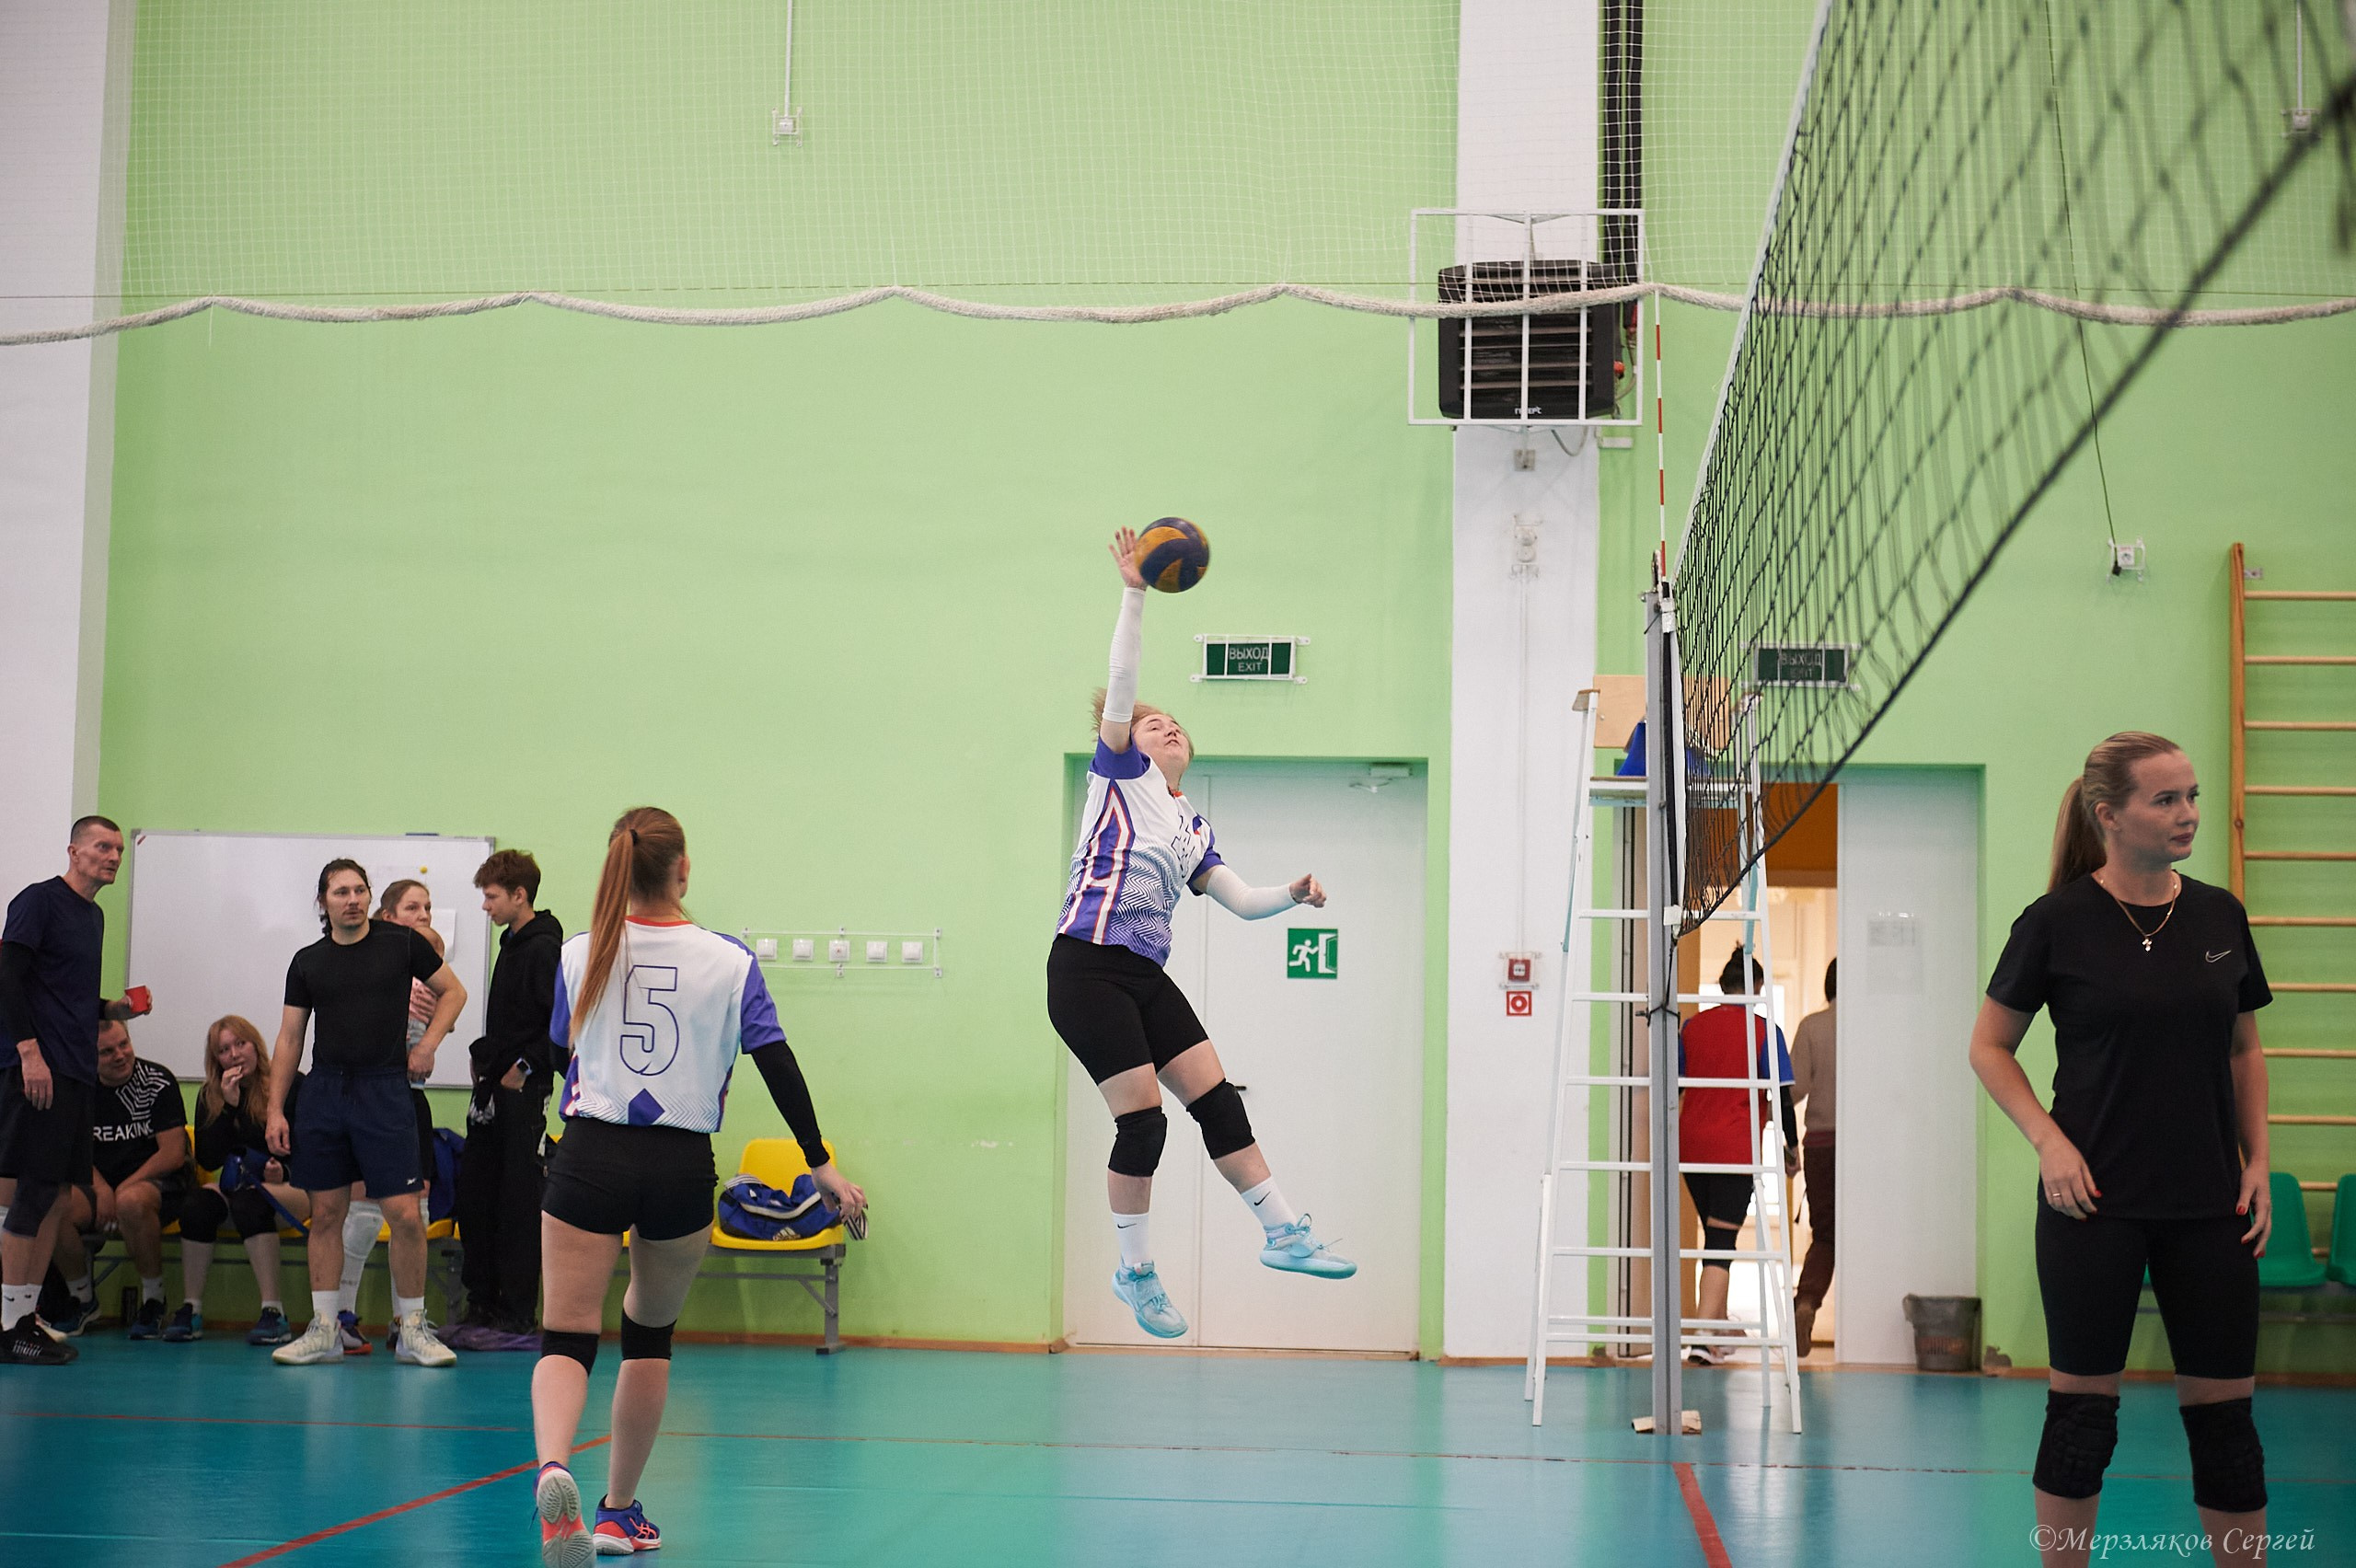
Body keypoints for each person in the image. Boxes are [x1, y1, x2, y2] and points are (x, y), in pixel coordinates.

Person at [530, 807, 864, 1565]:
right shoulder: (730, 960)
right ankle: (617, 1514)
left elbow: (558, 1056)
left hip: (589, 1152)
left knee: (567, 1332)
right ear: (683, 869)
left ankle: (554, 1468)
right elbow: (779, 1064)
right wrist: (819, 1162)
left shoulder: (580, 953)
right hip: (680, 1166)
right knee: (648, 1335)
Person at [1971, 732, 2274, 1568]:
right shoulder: (2057, 923)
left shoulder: (2219, 915)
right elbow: (1989, 1047)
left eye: (2192, 795)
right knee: (2080, 1421)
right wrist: (2049, 1143)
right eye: (2166, 800)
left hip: (2212, 1204)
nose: (2189, 815)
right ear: (2110, 815)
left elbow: (2245, 1050)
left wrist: (2257, 1162)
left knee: (2226, 1427)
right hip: (2090, 1204)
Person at [1045, 527, 1353, 1343]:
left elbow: (1242, 901)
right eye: (1152, 724)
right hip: (1085, 969)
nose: (1166, 728)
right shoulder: (1116, 780)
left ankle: (1284, 1233)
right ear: (1125, 740)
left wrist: (1292, 894)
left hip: (1143, 974)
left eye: (1176, 724)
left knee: (1216, 1098)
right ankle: (1135, 1274)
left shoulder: (1190, 825)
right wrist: (1136, 590)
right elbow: (1122, 683)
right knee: (1145, 1122)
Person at [264, 859, 466, 1367]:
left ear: (368, 897)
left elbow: (454, 992)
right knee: (327, 1213)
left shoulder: (401, 944)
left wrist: (428, 1046)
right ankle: (325, 1328)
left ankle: (414, 1328)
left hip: (385, 1091)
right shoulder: (308, 960)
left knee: (404, 1215)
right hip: (326, 1094)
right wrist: (274, 1109)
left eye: (359, 890)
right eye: (340, 892)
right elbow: (290, 1039)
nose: (351, 899)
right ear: (323, 901)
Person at [0, 815, 150, 1366]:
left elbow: (68, 996)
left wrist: (113, 1010)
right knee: (34, 1193)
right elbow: (7, 977)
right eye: (102, 847)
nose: (113, 856)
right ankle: (9, 1324)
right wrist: (28, 1051)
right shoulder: (39, 901)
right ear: (73, 851)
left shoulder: (94, 916)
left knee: (59, 1198)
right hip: (38, 1069)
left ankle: (24, 1318)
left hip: (74, 1072)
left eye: (117, 849)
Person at [329, 878, 447, 1350]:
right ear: (388, 916)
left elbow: (447, 1007)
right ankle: (341, 1315)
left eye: (429, 907)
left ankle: (408, 1323)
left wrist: (436, 1021)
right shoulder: (364, 957)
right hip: (362, 1094)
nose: (424, 915)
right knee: (359, 1206)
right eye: (413, 907)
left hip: (407, 1096)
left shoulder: (426, 964)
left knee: (412, 1207)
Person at [456, 849, 563, 1339]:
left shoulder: (544, 949)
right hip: (493, 1091)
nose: (485, 906)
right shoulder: (512, 943)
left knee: (519, 1203)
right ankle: (482, 1303)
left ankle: (517, 1313)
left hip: (523, 1092)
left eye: (492, 896)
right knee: (479, 1196)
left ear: (520, 895)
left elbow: (559, 1029)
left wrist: (522, 1068)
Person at [1676, 950, 1796, 1367]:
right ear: (1757, 989)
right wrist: (1791, 1147)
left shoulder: (1692, 1028)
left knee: (1714, 1239)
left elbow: (1676, 1088)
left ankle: (1717, 1327)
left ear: (1722, 987)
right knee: (1722, 1242)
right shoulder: (1765, 1031)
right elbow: (1781, 1096)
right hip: (1733, 1148)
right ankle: (1701, 1338)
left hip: (1691, 1149)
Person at [52, 1020, 191, 1340]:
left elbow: (172, 1154)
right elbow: (74, 1149)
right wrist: (101, 1188)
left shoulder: (157, 1082)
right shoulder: (80, 1089)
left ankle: (154, 1300)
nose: (120, 1055)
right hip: (98, 1183)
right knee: (50, 1205)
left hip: (159, 1183)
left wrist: (123, 1188)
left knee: (131, 1202)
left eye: (124, 1045)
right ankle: (83, 1299)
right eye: (107, 1051)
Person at [184, 1014, 312, 1345]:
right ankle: (191, 1308)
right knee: (197, 1204)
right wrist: (227, 1109)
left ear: (256, 1045)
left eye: (241, 1044)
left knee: (251, 1202)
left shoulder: (290, 1085)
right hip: (238, 1185)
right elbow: (208, 1159)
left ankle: (273, 1310)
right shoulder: (210, 1095)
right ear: (217, 1060)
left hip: (292, 1186)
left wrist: (282, 1172)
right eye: (225, 1050)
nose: (235, 1054)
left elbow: (313, 1150)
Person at [1787, 959, 1837, 1356]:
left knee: (1826, 1235)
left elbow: (1796, 1087)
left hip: (1822, 1143)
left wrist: (1766, 1112)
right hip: (1870, 1147)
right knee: (1870, 1233)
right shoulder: (1878, 1028)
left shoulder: (1812, 1026)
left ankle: (1806, 1302)